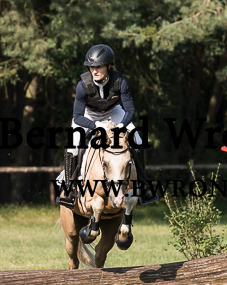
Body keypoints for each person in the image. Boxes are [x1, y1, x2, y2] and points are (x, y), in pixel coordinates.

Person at [57, 44, 157, 206]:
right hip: (89, 115)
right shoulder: (83, 85)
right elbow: (77, 117)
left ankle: (142, 186)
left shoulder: (120, 81)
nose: (94, 71)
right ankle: (70, 189)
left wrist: (121, 126)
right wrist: (96, 125)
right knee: (72, 145)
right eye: (91, 67)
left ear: (109, 66)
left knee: (138, 141)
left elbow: (130, 111)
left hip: (114, 112)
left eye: (98, 67)